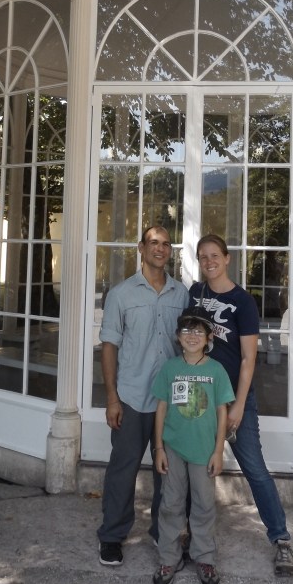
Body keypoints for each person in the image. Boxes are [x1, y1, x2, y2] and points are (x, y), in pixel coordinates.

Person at [189, 234, 293, 577]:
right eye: (203, 256)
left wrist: (237, 406)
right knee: (194, 465)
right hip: (200, 396)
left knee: (254, 468)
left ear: (227, 258)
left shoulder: (243, 301)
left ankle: (280, 539)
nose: (209, 261)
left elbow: (250, 358)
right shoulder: (194, 294)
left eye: (214, 255)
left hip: (234, 398)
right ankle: (192, 536)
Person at [97, 226, 189, 566]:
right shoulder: (121, 294)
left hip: (171, 399)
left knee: (168, 473)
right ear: (141, 248)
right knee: (123, 469)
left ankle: (163, 535)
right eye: (154, 243)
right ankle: (112, 535)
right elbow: (109, 347)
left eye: (166, 244)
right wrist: (111, 398)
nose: (160, 249)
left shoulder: (182, 294)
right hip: (132, 396)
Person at [151, 308, 235, 584]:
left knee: (203, 505)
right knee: (171, 503)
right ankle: (169, 557)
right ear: (177, 336)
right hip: (173, 448)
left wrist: (218, 450)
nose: (192, 336)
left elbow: (223, 411)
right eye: (186, 330)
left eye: (199, 331)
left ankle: (204, 557)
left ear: (209, 337)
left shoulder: (216, 371)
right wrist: (159, 447)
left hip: (204, 451)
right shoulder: (171, 369)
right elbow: (161, 408)